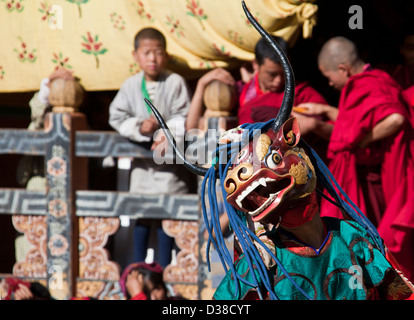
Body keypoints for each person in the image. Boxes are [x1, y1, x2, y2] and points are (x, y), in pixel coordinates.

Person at [298, 36, 414, 281]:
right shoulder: (377, 80)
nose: (329, 83)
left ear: (343, 69)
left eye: (329, 76)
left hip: (382, 179)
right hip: (374, 179)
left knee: (384, 245)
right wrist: (328, 112)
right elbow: (358, 122)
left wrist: (361, 141)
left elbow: (396, 119)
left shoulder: (367, 83)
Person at [109, 28, 191, 268]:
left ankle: (164, 273)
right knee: (142, 215)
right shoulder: (130, 85)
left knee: (167, 216)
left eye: (158, 53)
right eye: (147, 53)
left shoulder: (174, 82)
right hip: (142, 167)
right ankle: (135, 269)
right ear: (136, 56)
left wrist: (167, 134)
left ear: (166, 55)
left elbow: (183, 116)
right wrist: (140, 127)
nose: (153, 59)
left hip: (169, 168)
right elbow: (116, 117)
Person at [186, 36, 329, 157]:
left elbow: (338, 133)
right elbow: (192, 129)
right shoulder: (241, 93)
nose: (279, 80)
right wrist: (201, 85)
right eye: (272, 74)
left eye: (284, 73)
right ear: (256, 65)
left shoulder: (302, 93)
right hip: (245, 173)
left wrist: (310, 124)